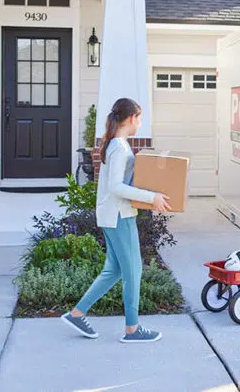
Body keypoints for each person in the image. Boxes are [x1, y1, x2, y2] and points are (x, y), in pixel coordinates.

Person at [62, 98, 171, 343]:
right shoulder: (119, 147)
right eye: (140, 118)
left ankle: (77, 313)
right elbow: (116, 186)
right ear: (132, 118)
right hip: (119, 215)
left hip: (112, 214)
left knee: (114, 270)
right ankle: (132, 329)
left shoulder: (114, 144)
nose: (140, 123)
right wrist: (151, 197)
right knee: (133, 270)